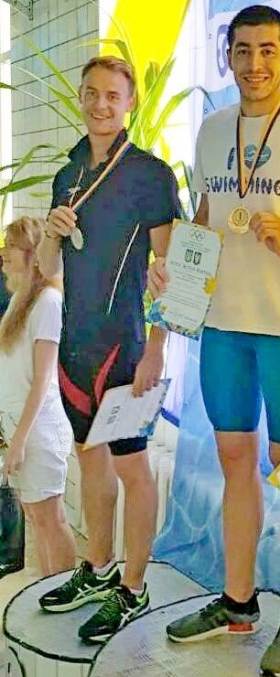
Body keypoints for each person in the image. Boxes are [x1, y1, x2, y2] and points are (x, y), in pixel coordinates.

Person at [148, 5, 280, 677]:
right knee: (235, 458)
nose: (254, 64)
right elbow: (208, 216)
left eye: (268, 50)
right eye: (242, 51)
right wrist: (174, 268)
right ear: (228, 58)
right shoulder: (213, 129)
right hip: (223, 326)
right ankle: (237, 600)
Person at [37, 56, 180, 643]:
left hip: (125, 347)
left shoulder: (150, 174)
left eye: (112, 95)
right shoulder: (67, 174)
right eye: (91, 93)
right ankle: (98, 569)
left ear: (129, 103)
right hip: (75, 347)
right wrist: (50, 233)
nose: (101, 104)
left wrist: (157, 349)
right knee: (89, 460)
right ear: (81, 96)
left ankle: (133, 585)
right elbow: (48, 270)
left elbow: (173, 273)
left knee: (132, 466)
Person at [0, 216, 76, 577]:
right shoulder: (19, 300)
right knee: (34, 516)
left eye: (11, 246)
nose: (4, 253)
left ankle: (62, 591)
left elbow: (43, 379)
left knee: (50, 518)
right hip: (18, 426)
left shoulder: (47, 301)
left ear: (32, 253)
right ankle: (46, 592)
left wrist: (19, 441)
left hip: (38, 431)